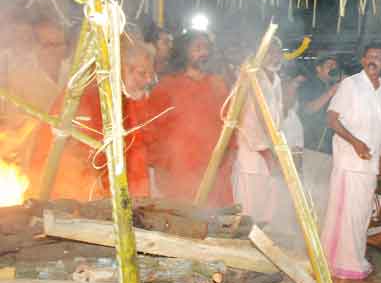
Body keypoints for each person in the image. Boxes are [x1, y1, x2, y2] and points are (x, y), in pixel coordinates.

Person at [28, 34, 155, 200]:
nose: (148, 80)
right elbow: (57, 154)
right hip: (74, 199)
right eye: (142, 73)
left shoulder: (132, 100)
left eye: (151, 74)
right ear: (120, 67)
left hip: (123, 199)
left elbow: (140, 151)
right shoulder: (82, 97)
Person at [320, 41, 381, 283]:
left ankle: (354, 259)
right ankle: (338, 263)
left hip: (371, 163)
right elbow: (331, 119)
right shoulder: (351, 84)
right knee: (345, 213)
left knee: (361, 215)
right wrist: (355, 142)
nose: (374, 60)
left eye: (379, 57)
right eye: (370, 56)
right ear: (363, 60)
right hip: (349, 161)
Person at [147, 30, 232, 205]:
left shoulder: (219, 84)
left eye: (207, 48)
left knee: (216, 220)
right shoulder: (167, 86)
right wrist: (160, 167)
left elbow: (230, 126)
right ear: (184, 51)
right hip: (180, 169)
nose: (204, 53)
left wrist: (227, 158)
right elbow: (153, 130)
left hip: (214, 168)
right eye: (198, 48)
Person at [232, 38, 284, 224]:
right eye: (269, 52)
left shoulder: (277, 80)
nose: (275, 56)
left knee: (266, 214)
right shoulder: (250, 79)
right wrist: (266, 152)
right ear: (259, 54)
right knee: (247, 214)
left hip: (272, 156)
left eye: (278, 52)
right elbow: (247, 121)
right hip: (252, 157)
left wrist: (276, 151)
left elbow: (276, 120)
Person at [298, 54, 339, 153]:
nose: (333, 69)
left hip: (329, 144)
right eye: (329, 66)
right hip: (312, 143)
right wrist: (330, 93)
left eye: (335, 67)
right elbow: (307, 109)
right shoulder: (308, 84)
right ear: (318, 69)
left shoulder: (332, 86)